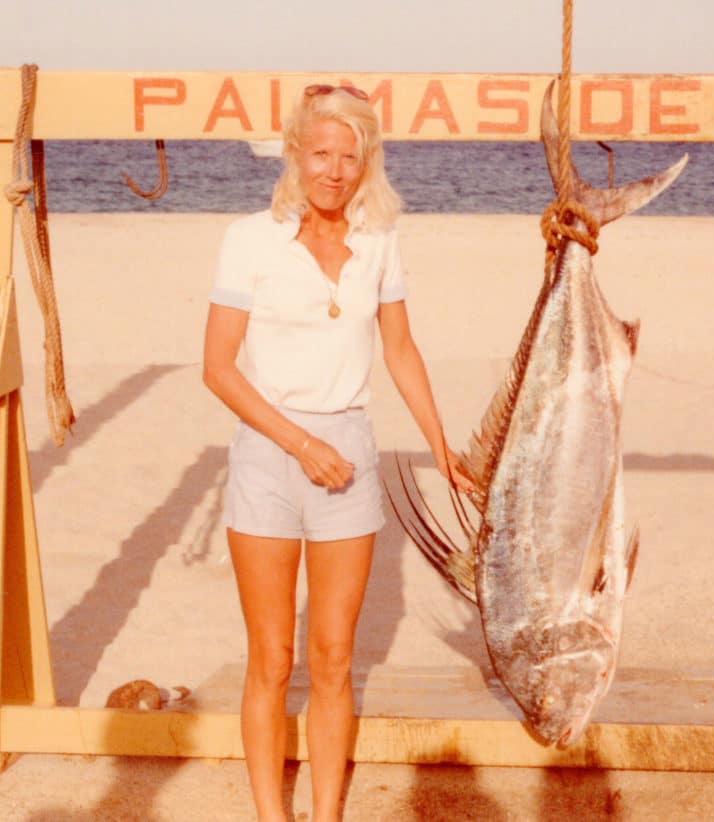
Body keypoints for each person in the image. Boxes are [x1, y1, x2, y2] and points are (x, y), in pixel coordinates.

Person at [202, 83, 473, 822]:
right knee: (271, 659)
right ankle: (271, 815)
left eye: (349, 158)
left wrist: (442, 448)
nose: (333, 171)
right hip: (267, 449)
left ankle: (325, 816)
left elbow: (401, 348)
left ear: (365, 164)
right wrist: (298, 442)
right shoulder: (248, 238)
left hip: (349, 450)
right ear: (295, 153)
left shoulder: (380, 241)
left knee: (330, 658)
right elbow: (218, 368)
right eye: (320, 154)